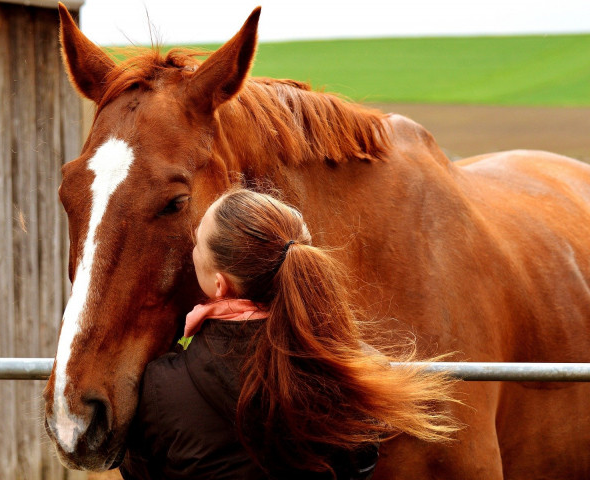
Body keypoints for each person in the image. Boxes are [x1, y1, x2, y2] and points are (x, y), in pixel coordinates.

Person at [121, 188, 460, 479]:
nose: (192, 250)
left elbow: (141, 469)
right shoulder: (356, 374)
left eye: (197, 243)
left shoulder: (159, 389)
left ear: (219, 285)